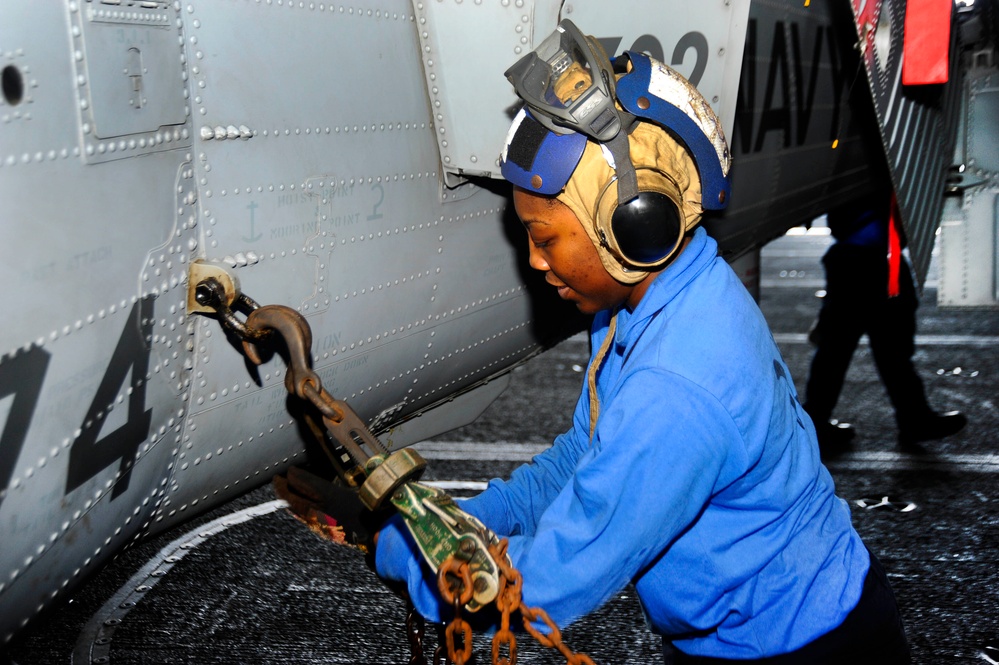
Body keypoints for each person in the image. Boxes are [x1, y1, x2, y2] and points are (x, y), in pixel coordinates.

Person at [374, 23, 912, 663]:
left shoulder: (679, 383)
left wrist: (425, 565)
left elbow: (567, 564)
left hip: (803, 647)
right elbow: (586, 453)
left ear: (634, 223)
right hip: (742, 636)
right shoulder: (645, 303)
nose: (535, 261)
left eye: (546, 238)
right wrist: (483, 516)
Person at [803, 189, 967, 453]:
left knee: (836, 351)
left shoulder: (855, 167)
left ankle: (815, 423)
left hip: (856, 257)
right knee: (889, 351)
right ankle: (915, 418)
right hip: (876, 259)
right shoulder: (884, 164)